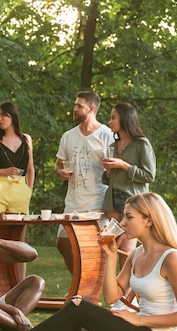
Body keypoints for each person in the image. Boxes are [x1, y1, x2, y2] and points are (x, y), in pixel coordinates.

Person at [0, 192, 177, 331]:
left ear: (149, 220)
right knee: (80, 303)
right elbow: (112, 296)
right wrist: (110, 256)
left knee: (79, 306)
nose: (122, 222)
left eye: (129, 216)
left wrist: (139, 321)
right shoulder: (138, 254)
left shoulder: (172, 259)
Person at [55, 91, 114, 274]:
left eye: (78, 106)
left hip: (97, 199)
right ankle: (82, 281)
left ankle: (93, 287)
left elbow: (114, 172)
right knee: (62, 243)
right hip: (73, 200)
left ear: (91, 109)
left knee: (96, 246)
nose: (74, 109)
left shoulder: (107, 135)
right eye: (75, 105)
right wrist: (60, 172)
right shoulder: (68, 136)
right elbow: (57, 166)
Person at [102, 102, 156, 266]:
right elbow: (107, 180)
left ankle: (129, 290)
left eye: (113, 118)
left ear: (125, 119)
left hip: (133, 202)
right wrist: (109, 171)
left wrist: (123, 165)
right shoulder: (113, 146)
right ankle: (114, 289)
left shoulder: (141, 144)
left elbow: (149, 175)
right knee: (111, 248)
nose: (109, 122)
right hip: (113, 200)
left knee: (126, 251)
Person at [0, 101, 35, 215]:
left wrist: (28, 190)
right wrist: (3, 171)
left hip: (20, 190)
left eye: (3, 115)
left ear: (13, 116)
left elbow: (30, 169)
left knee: (18, 230)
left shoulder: (26, 139)